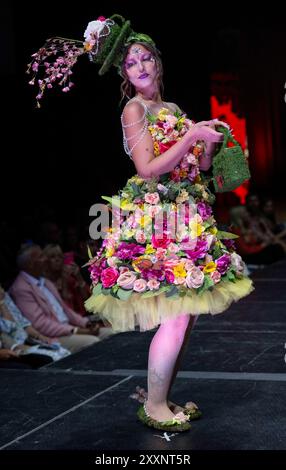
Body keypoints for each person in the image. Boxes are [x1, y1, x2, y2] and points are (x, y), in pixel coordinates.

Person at [28, 15, 254, 433]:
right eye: (132, 63)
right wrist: (189, 138)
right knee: (176, 314)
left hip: (186, 213)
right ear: (124, 73)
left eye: (146, 58)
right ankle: (153, 403)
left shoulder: (170, 109)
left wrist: (204, 145)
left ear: (158, 62)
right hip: (157, 218)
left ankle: (161, 397)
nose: (141, 67)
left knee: (187, 313)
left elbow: (195, 167)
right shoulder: (135, 109)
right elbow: (147, 168)